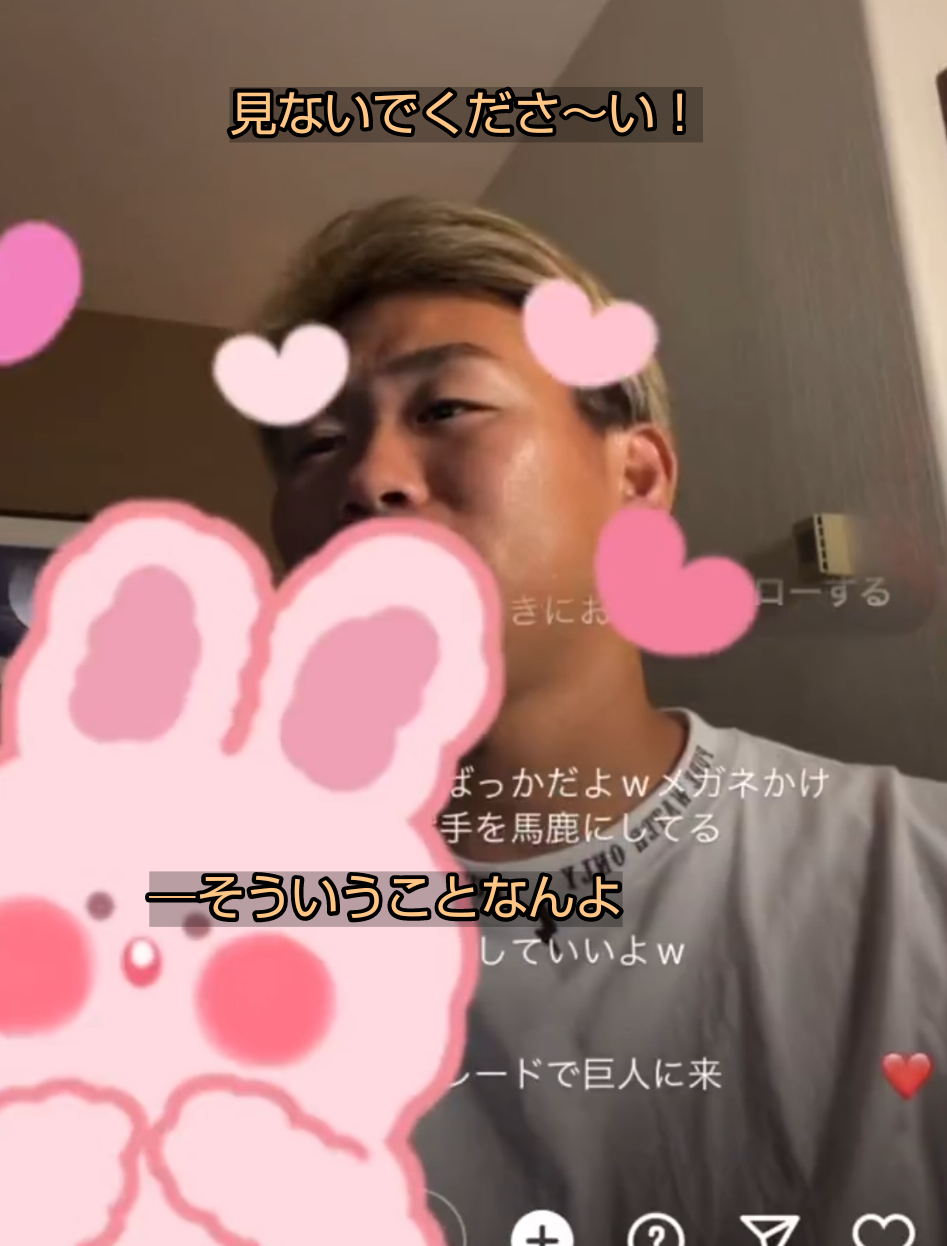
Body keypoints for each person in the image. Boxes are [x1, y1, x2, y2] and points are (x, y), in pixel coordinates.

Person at [259, 195, 947, 1246]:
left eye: (445, 408)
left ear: (636, 475)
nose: (366, 479)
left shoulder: (912, 878)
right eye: (313, 444)